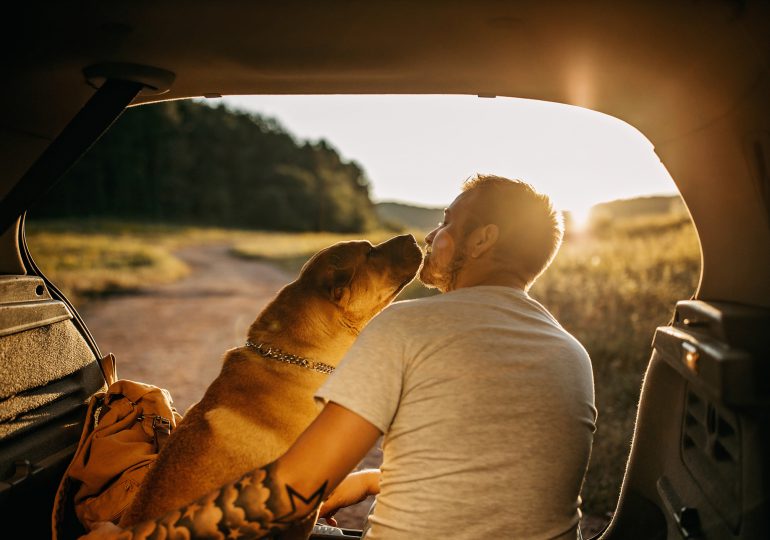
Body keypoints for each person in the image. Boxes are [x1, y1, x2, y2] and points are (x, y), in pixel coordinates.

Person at [82, 174, 596, 540]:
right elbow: (482, 475)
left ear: (483, 240)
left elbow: (290, 491)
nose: (432, 237)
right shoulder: (572, 352)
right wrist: (375, 480)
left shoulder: (406, 327)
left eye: (447, 224)